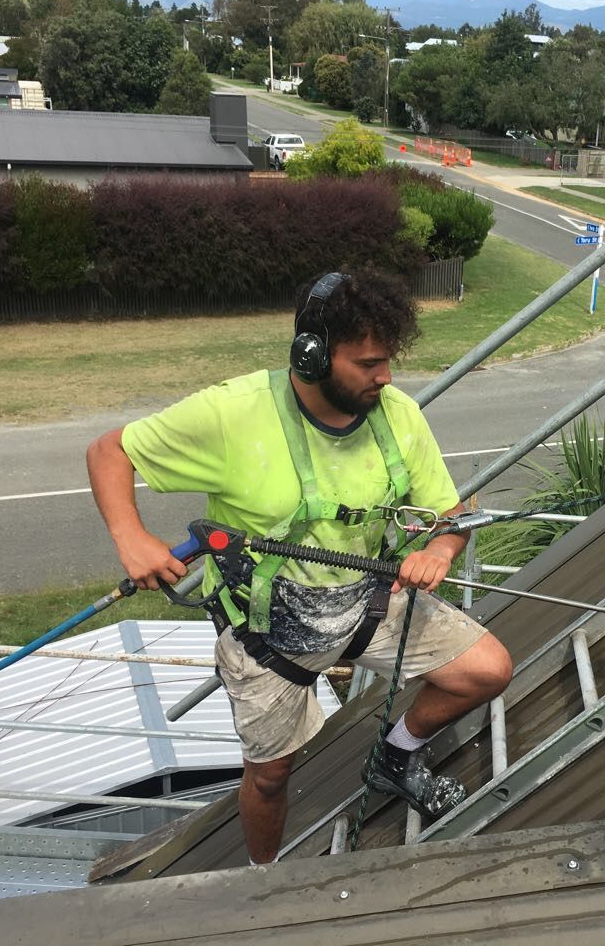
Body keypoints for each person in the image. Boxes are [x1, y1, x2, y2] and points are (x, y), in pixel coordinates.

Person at [86, 268, 512, 863]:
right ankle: (266, 878)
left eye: (388, 360)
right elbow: (110, 450)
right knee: (270, 776)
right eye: (368, 363)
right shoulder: (233, 415)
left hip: (363, 602)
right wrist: (129, 535)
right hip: (267, 632)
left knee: (487, 670)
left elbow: (449, 512)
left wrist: (438, 549)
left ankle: (394, 754)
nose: (385, 377)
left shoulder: (398, 414)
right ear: (312, 356)